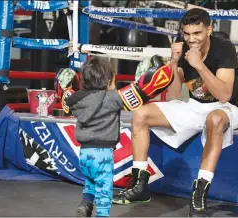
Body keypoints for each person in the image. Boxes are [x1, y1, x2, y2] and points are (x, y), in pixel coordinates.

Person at [112, 8, 238, 217]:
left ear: (209, 30)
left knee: (215, 119)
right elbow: (174, 94)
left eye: (197, 33)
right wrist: (173, 63)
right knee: (140, 114)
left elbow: (224, 95)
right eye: (187, 34)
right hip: (194, 106)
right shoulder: (184, 49)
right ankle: (140, 186)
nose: (192, 40)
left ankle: (199, 193)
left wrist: (200, 66)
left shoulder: (224, 48)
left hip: (226, 108)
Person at [65, 55, 173, 217]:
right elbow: (139, 94)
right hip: (102, 154)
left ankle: (86, 204)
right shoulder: (112, 98)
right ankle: (102, 214)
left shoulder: (77, 100)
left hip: (84, 153)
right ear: (108, 82)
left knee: (91, 180)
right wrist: (158, 73)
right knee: (104, 187)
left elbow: (66, 97)